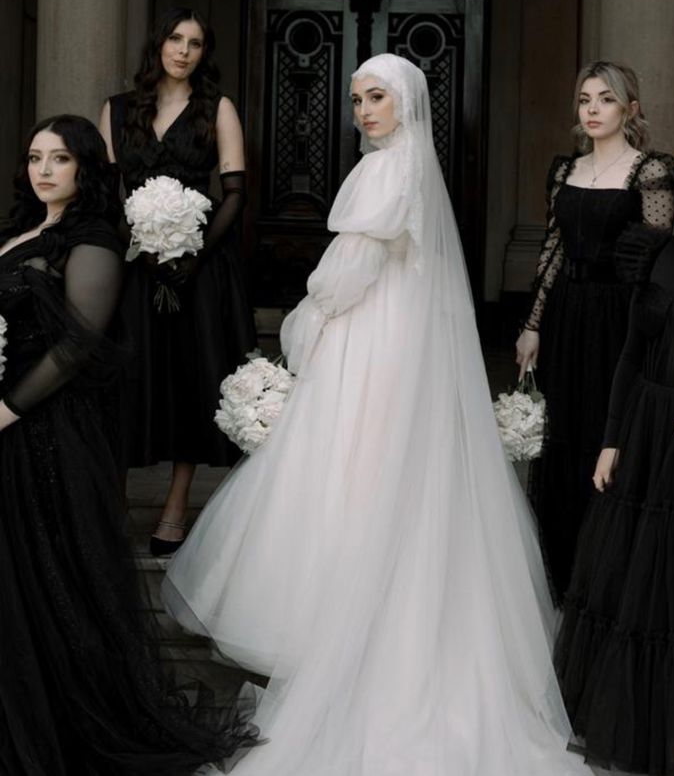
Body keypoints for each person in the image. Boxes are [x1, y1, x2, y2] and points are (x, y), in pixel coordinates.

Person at [162, 53, 586, 776]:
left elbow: (351, 267)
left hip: (370, 339)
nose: (363, 110)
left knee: (355, 473)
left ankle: (356, 643)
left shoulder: (390, 170)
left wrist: (308, 313)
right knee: (386, 480)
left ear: (408, 103)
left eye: (377, 97)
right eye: (357, 98)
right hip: (390, 338)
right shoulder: (406, 167)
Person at [0, 114, 256, 774]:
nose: (44, 169)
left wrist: (7, 407)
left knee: (48, 579)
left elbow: (79, 341)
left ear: (86, 166)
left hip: (46, 433)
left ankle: (54, 725)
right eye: (35, 157)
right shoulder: (20, 231)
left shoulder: (91, 240)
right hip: (7, 419)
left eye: (60, 158)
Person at [555, 138, 674, 776]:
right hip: (653, 445)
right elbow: (631, 356)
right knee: (649, 594)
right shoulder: (658, 254)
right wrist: (611, 437)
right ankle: (653, 733)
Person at [515, 60, 674, 602]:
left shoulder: (651, 172)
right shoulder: (565, 170)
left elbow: (654, 256)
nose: (592, 110)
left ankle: (612, 577)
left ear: (630, 108)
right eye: (585, 99)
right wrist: (533, 324)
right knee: (563, 434)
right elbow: (553, 250)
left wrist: (648, 335)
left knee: (611, 434)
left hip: (619, 317)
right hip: (566, 317)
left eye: (605, 99)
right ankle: (563, 572)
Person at [99, 7, 257, 555]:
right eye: (174, 38)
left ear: (203, 53)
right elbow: (105, 191)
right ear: (159, 44)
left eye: (194, 43)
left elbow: (235, 191)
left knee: (192, 378)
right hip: (134, 267)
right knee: (128, 377)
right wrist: (140, 249)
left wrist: (194, 255)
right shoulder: (118, 111)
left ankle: (174, 508)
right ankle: (114, 507)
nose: (183, 50)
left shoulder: (218, 109)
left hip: (201, 267)